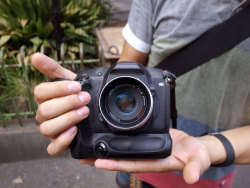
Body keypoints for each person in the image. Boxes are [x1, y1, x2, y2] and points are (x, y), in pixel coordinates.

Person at [32, 0, 250, 187]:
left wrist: (209, 148)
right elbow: (127, 70)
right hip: (129, 158)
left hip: (213, 172)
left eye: (129, 104)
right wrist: (85, 104)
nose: (127, 104)